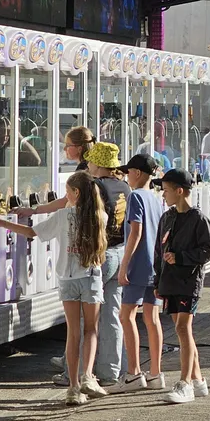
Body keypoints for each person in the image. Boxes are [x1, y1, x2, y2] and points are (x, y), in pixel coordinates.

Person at [0, 171, 107, 405]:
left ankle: (73, 387)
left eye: (67, 192)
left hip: (67, 279)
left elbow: (32, 233)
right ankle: (88, 376)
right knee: (91, 330)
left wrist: (2, 223)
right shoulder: (100, 216)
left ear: (76, 193)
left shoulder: (63, 216)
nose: (65, 197)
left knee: (73, 333)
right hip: (91, 276)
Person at [156, 169, 210, 404]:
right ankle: (198, 379)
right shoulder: (167, 217)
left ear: (179, 191)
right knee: (182, 331)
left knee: (183, 328)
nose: (163, 195)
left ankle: (186, 383)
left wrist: (181, 258)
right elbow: (159, 250)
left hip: (189, 281)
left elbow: (209, 249)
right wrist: (157, 279)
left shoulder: (198, 219)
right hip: (170, 280)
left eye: (166, 190)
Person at [114, 154, 167, 392]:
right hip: (155, 265)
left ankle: (134, 372)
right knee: (152, 318)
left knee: (126, 316)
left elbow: (136, 232)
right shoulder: (156, 198)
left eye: (128, 172)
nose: (126, 176)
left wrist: (124, 265)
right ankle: (156, 373)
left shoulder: (135, 196)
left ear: (136, 173)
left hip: (138, 264)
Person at [81, 142, 130, 386]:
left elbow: (87, 219)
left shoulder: (96, 187)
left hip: (102, 255)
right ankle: (111, 371)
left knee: (86, 319)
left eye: (90, 161)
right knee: (112, 315)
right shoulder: (124, 186)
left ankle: (79, 371)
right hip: (120, 253)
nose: (88, 164)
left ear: (98, 164)